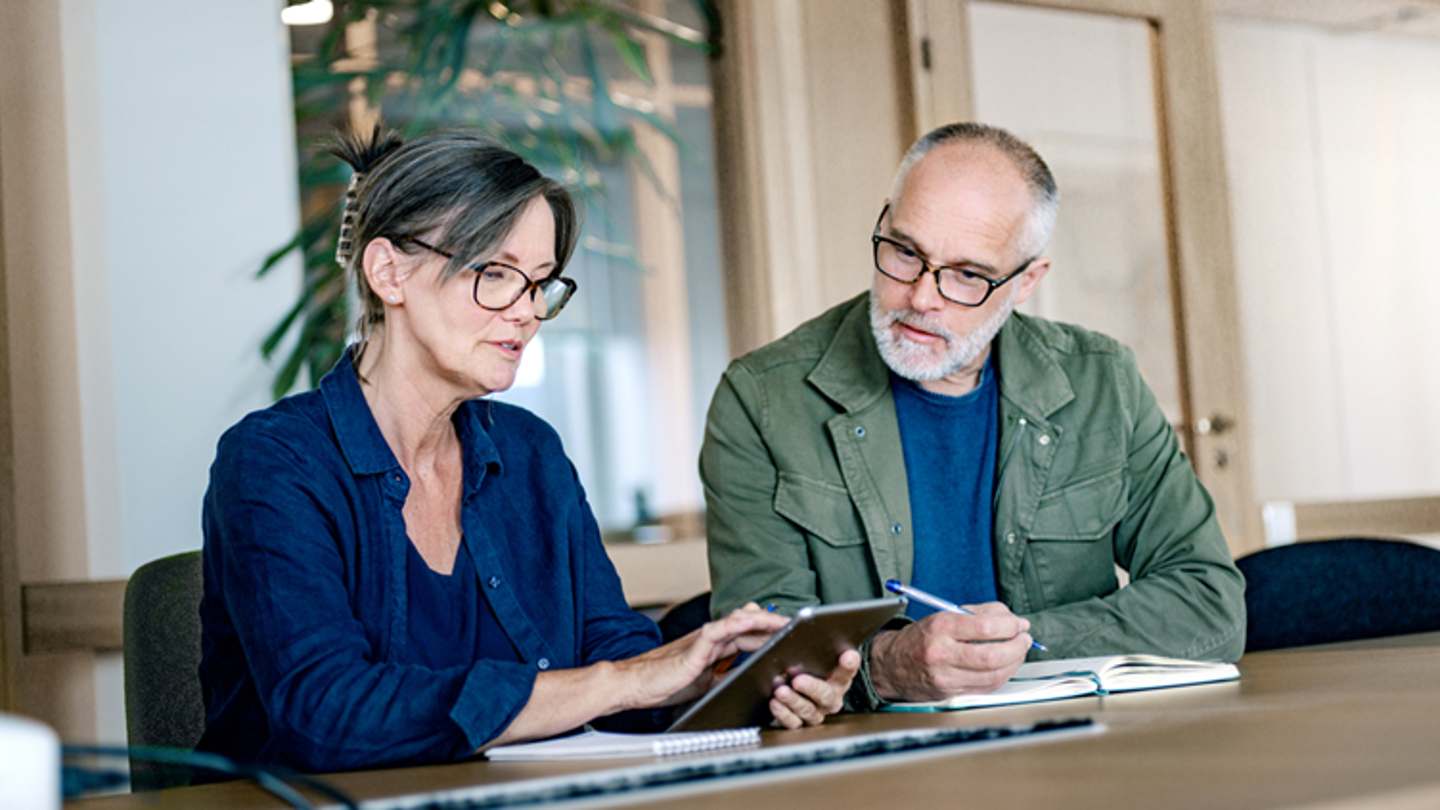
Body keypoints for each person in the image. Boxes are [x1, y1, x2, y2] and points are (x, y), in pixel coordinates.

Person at [198, 126, 858, 773]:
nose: (526, 311)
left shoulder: (530, 454)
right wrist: (616, 682)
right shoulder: (273, 462)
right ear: (387, 272)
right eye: (496, 273)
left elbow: (616, 651)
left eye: (540, 282)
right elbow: (327, 715)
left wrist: (731, 679)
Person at [700, 122, 1246, 712]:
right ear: (884, 222)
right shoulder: (761, 399)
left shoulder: (1102, 380)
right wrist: (885, 666)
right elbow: (756, 651)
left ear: (1027, 281)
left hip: (1072, 745)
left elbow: (1209, 602)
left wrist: (1012, 649)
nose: (921, 297)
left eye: (967, 274)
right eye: (905, 252)